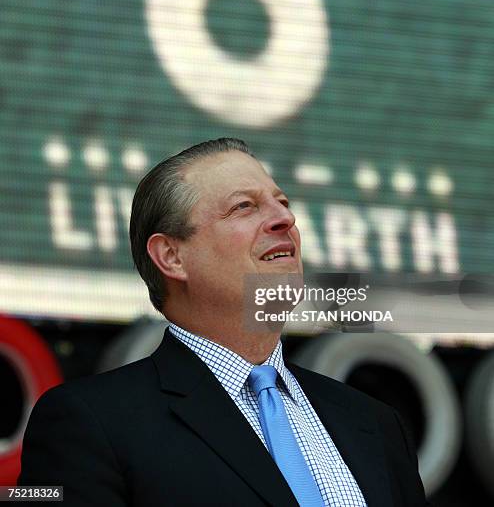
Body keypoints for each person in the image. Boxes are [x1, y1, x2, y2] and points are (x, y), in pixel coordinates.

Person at [19, 138, 428, 506]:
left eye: (282, 202)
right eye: (243, 207)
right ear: (172, 257)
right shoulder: (89, 422)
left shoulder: (374, 421)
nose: (284, 219)